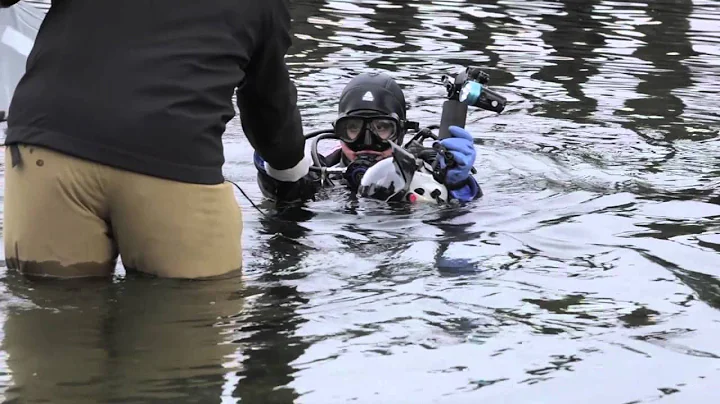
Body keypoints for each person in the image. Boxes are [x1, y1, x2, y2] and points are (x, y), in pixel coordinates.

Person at [0, 0, 311, 279]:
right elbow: (267, 104)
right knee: (187, 318)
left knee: (51, 318)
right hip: (175, 161)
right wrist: (290, 173)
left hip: (46, 148)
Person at [253, 72, 482, 204]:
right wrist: (274, 154)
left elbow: (461, 222)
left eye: (382, 128)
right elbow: (282, 193)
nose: (367, 142)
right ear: (338, 132)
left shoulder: (428, 173)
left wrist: (459, 185)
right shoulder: (320, 176)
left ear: (401, 132)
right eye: (353, 128)